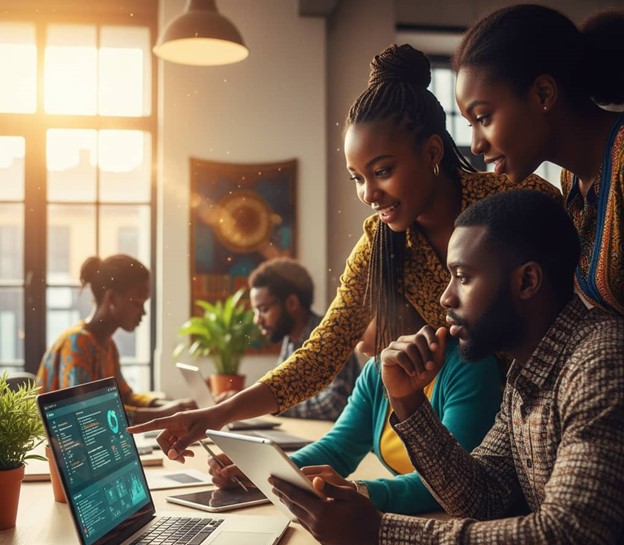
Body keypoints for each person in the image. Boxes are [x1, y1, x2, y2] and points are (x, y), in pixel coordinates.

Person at [128, 44, 559, 460]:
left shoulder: (517, 199)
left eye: (382, 171)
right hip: (478, 437)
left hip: (552, 415)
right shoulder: (381, 242)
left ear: (431, 152)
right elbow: (319, 356)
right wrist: (215, 414)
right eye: (357, 177)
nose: (368, 194)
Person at [270, 190, 624, 545]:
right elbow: (480, 498)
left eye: (463, 277)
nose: (444, 298)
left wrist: (380, 532)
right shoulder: (524, 372)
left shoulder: (600, 360)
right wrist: (407, 402)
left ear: (527, 281)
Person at [208, 299, 501, 514]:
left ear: (399, 306)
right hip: (413, 519)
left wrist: (362, 491)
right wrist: (262, 470)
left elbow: (453, 484)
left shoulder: (468, 367)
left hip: (448, 526)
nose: (344, 324)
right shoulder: (376, 371)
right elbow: (338, 449)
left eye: (357, 311)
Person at [452, 4, 624, 316]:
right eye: (471, 125)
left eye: (484, 117)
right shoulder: (572, 182)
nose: (476, 146)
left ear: (543, 94)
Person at [37, 254, 193, 424]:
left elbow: (124, 397)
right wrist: (163, 413)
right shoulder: (77, 343)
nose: (143, 312)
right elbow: (86, 413)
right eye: (138, 303)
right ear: (111, 299)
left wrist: (171, 407)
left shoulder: (108, 345)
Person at [246, 257, 360, 421]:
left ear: (292, 303)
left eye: (263, 309)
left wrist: (272, 405)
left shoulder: (330, 334)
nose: (257, 320)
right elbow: (282, 390)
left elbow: (334, 403)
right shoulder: (291, 339)